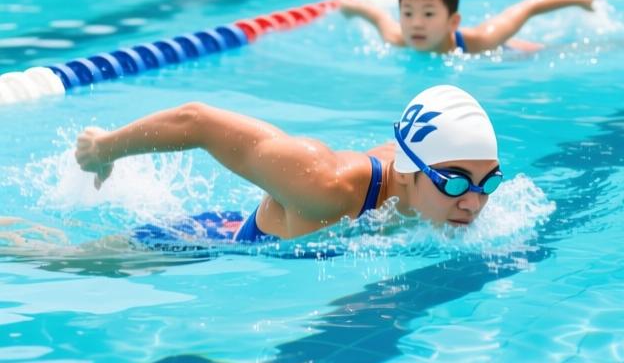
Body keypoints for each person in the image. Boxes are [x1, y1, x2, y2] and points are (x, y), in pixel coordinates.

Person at [73, 84, 504, 242]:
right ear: (411, 172)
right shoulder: (322, 183)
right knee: (55, 257)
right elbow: (198, 121)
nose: (474, 202)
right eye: (455, 183)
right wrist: (104, 148)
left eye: (489, 183)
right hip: (203, 245)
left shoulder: (436, 184)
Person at [337, 0, 602, 54]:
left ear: (453, 22)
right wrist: (352, 8)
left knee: (541, 52)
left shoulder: (481, 39)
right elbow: (376, 15)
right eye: (407, 13)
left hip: (503, 50)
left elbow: (529, 7)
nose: (416, 24)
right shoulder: (397, 37)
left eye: (428, 14)